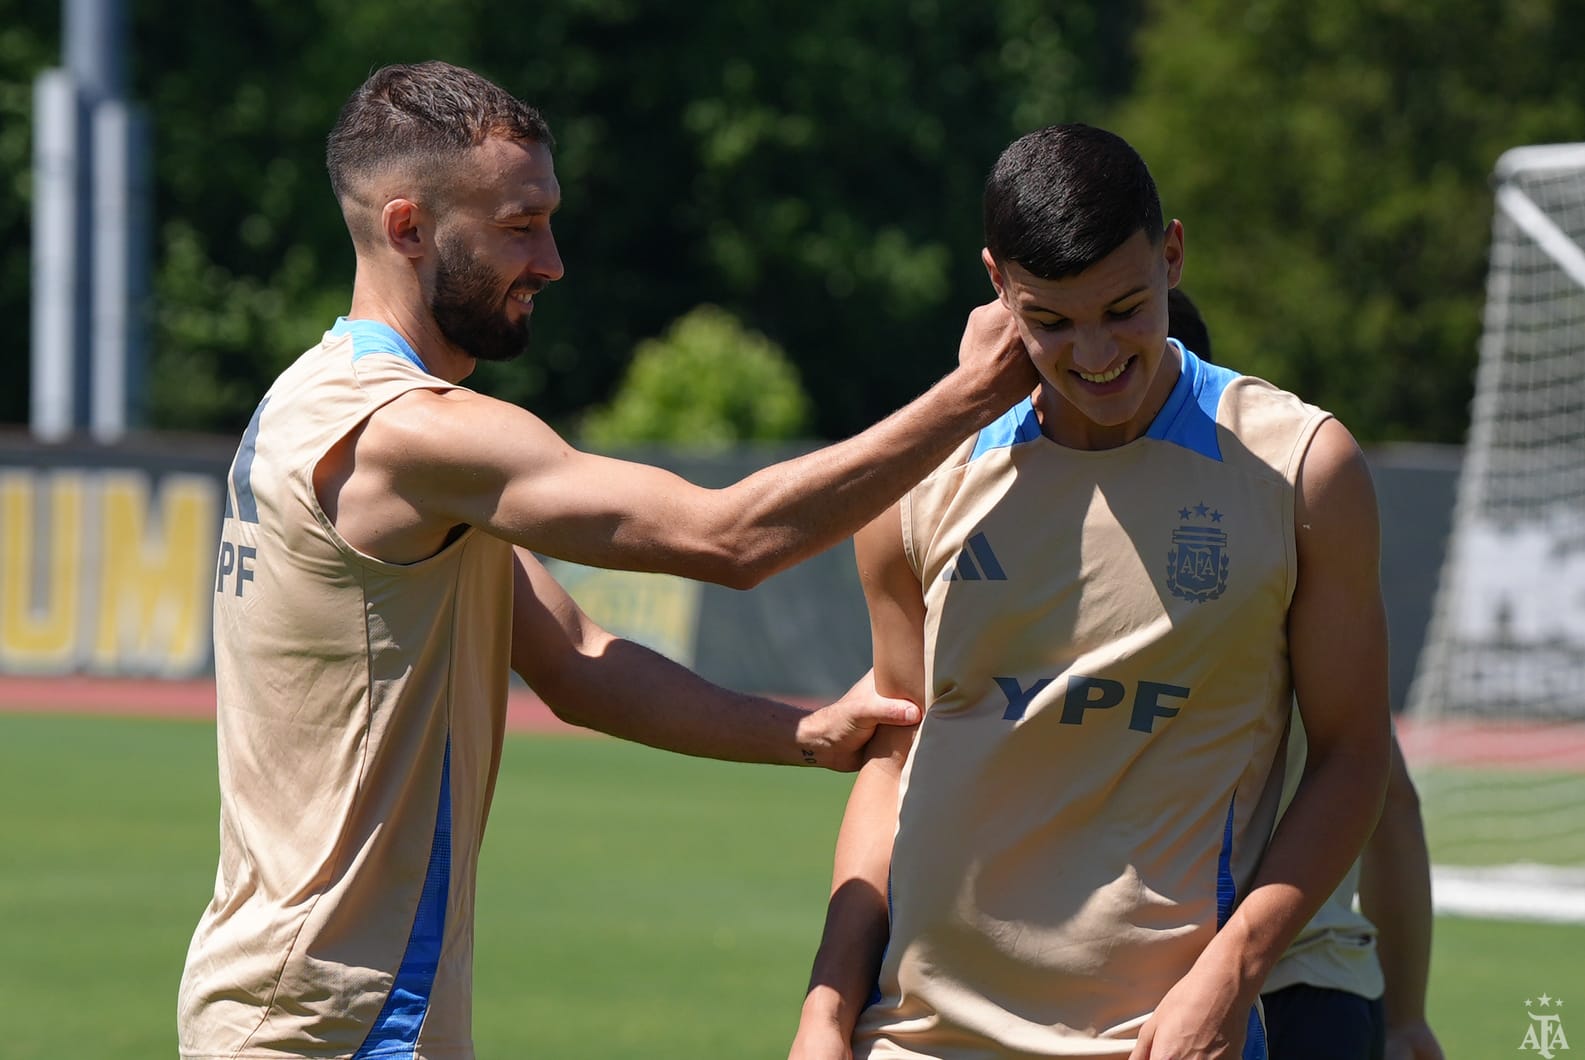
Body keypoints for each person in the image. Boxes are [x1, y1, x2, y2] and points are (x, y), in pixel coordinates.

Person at [177, 60, 1039, 1060]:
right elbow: (730, 538)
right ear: (408, 228)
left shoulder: (309, 398)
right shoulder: (411, 435)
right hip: (340, 1014)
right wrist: (969, 398)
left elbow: (576, 660)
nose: (550, 259)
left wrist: (802, 731)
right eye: (518, 224)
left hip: (302, 998)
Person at [788, 122, 1392, 1059]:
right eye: (1053, 322)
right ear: (996, 283)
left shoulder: (1299, 467)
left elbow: (1353, 759)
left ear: (1174, 255)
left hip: (1157, 1038)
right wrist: (825, 1009)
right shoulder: (916, 476)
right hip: (918, 1036)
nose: (1097, 353)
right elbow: (891, 758)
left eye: (1124, 308)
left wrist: (1231, 975)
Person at [1168, 289, 1446, 1060]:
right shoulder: (1267, 522)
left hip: (1277, 986)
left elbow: (1378, 787)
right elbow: (1389, 796)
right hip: (1314, 984)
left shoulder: (1272, 522)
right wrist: (1405, 1017)